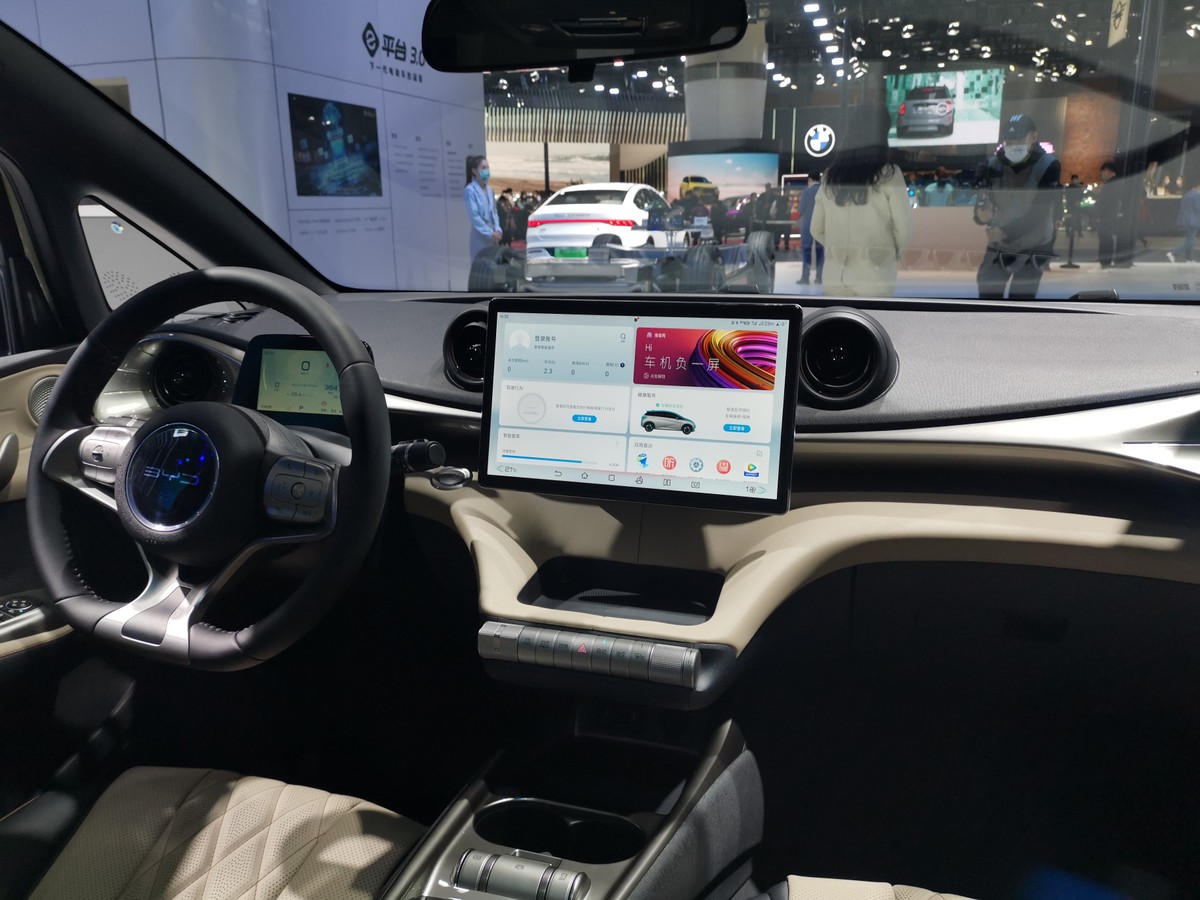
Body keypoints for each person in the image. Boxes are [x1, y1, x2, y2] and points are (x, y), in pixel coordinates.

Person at [810, 103, 913, 296]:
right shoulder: (889, 174)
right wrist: (889, 253)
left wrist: (837, 248)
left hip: (835, 277)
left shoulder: (831, 176)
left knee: (839, 317)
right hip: (875, 277)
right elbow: (904, 227)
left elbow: (816, 228)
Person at [974, 114, 1061, 298]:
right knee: (988, 290)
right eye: (1008, 141)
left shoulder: (1048, 165)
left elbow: (1039, 213)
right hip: (1000, 245)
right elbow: (983, 201)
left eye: (1019, 140)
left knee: (1021, 299)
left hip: (1034, 243)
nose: (1013, 145)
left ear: (1033, 136)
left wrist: (1005, 231)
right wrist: (980, 215)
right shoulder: (993, 165)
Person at [463, 155, 501, 260]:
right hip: (480, 237)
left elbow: (494, 213)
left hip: (493, 238)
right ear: (474, 171)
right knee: (481, 266)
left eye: (488, 168)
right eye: (483, 168)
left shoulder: (490, 190)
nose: (487, 171)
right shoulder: (470, 190)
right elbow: (474, 216)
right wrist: (490, 233)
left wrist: (498, 229)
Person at [1091, 160, 1120, 269]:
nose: (1102, 174)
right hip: (1111, 214)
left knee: (1105, 238)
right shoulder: (1118, 182)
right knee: (1108, 238)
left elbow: (1105, 201)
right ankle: (1106, 260)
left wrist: (1097, 214)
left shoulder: (1111, 184)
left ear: (1108, 171)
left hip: (1107, 216)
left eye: (1102, 172)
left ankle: (1105, 260)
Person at [797, 173, 824, 285]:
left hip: (808, 225)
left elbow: (800, 209)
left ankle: (805, 277)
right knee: (820, 251)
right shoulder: (824, 191)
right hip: (821, 225)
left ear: (810, 179)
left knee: (806, 250)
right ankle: (819, 277)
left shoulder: (806, 192)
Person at [1166, 179, 1200, 264]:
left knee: (1190, 239)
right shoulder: (1197, 195)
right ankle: (1174, 254)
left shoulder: (1187, 194)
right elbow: (1198, 207)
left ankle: (1189, 258)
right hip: (1193, 220)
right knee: (1190, 240)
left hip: (1185, 219)